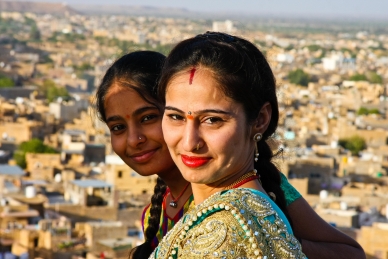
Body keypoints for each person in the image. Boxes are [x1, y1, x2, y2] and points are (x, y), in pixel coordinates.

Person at [95, 50, 365, 259]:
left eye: (148, 118)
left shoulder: (255, 191)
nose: (134, 139)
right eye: (118, 127)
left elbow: (350, 254)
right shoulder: (157, 211)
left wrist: (265, 237)